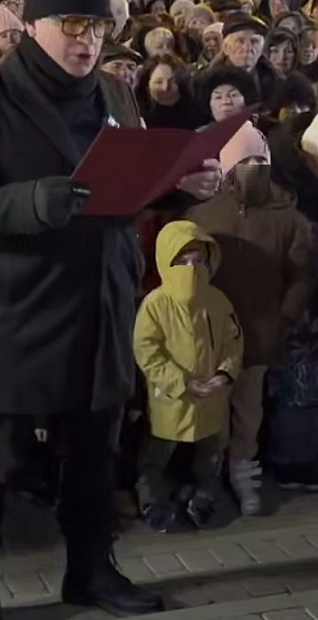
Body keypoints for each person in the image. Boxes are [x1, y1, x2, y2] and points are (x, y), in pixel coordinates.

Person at [0, 0, 219, 620]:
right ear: (32, 26)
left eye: (95, 25)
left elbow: (129, 185)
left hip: (103, 299)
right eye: (70, 24)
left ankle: (90, 570)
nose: (87, 39)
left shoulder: (117, 93)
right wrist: (31, 201)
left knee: (95, 450)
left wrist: (181, 187)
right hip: (20, 311)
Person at [186, 122, 314, 514]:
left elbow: (303, 274)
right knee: (212, 406)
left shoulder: (289, 218)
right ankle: (209, 476)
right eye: (245, 160)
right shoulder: (202, 213)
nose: (253, 167)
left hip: (259, 331)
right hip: (212, 333)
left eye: (260, 159)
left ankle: (244, 473)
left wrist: (284, 318)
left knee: (248, 409)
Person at [133, 221, 242, 532]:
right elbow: (147, 352)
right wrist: (180, 382)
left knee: (209, 454)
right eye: (182, 262)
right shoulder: (156, 304)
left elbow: (234, 341)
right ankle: (153, 501)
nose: (191, 269)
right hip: (171, 399)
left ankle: (204, 496)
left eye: (198, 261)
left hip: (212, 398)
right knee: (157, 455)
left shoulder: (218, 301)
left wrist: (225, 373)